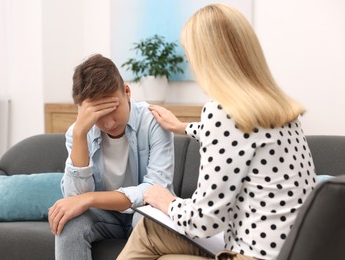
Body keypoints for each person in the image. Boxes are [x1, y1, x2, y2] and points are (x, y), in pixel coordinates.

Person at [117, 4, 316, 260]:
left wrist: (163, 199)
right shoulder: (278, 108)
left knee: (150, 231)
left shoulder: (222, 112)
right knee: (154, 235)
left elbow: (204, 221)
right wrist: (183, 127)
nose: (189, 61)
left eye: (190, 55)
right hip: (288, 252)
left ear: (206, 59)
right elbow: (244, 141)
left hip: (249, 255)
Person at [48, 54, 175, 260]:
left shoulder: (153, 121)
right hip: (105, 217)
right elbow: (74, 197)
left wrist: (89, 199)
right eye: (98, 115)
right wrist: (80, 134)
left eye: (112, 109)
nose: (108, 124)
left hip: (145, 212)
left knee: (145, 220)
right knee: (70, 223)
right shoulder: (78, 132)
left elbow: (155, 189)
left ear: (126, 91)